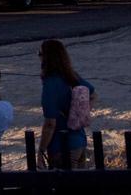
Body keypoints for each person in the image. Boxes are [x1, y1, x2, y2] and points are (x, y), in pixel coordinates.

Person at [37, 38, 97, 169]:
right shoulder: (71, 76)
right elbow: (92, 94)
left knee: (65, 187)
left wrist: (41, 150)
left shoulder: (51, 84)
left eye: (40, 54)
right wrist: (80, 113)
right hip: (79, 141)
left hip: (62, 146)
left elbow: (50, 124)